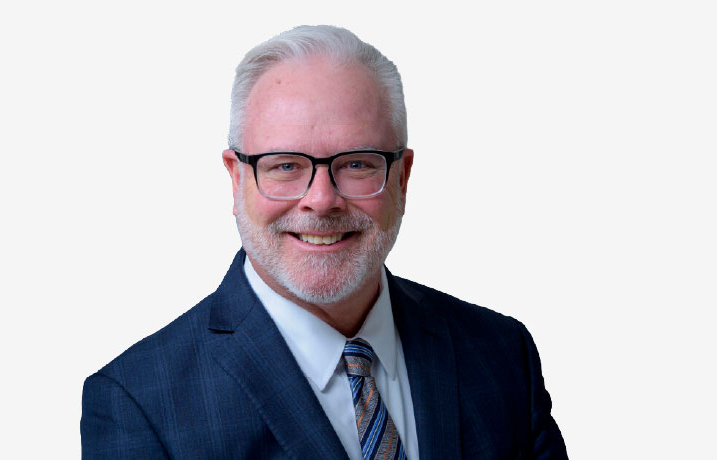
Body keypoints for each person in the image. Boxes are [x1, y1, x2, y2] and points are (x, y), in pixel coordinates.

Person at [81, 25, 567, 459]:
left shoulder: (503, 354)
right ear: (236, 179)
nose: (321, 200)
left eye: (357, 163)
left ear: (402, 178)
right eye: (285, 165)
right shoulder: (138, 404)